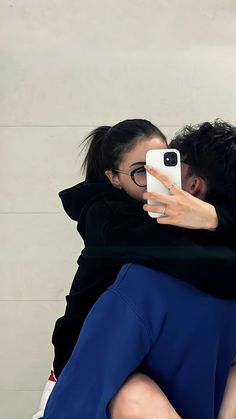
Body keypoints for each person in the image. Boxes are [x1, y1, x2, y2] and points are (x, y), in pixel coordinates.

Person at [36, 119, 236, 418]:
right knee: (133, 393)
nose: (157, 176)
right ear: (114, 178)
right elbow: (193, 261)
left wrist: (212, 218)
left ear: (195, 184)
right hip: (89, 350)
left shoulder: (183, 220)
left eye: (164, 162)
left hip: (154, 355)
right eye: (142, 171)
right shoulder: (108, 216)